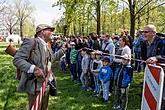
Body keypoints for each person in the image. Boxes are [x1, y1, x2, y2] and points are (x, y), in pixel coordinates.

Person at [13, 24, 67, 110]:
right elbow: (17, 59)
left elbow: (50, 60)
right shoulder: (31, 42)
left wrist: (62, 51)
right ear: (42, 32)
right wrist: (33, 69)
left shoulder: (47, 46)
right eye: (49, 30)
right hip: (34, 86)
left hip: (46, 85)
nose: (52, 32)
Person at [141, 24, 165, 110]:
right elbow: (144, 58)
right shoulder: (143, 44)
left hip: (162, 74)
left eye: (146, 32)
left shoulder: (162, 42)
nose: (143, 34)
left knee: (162, 97)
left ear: (153, 33)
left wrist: (157, 58)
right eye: (142, 32)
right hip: (150, 73)